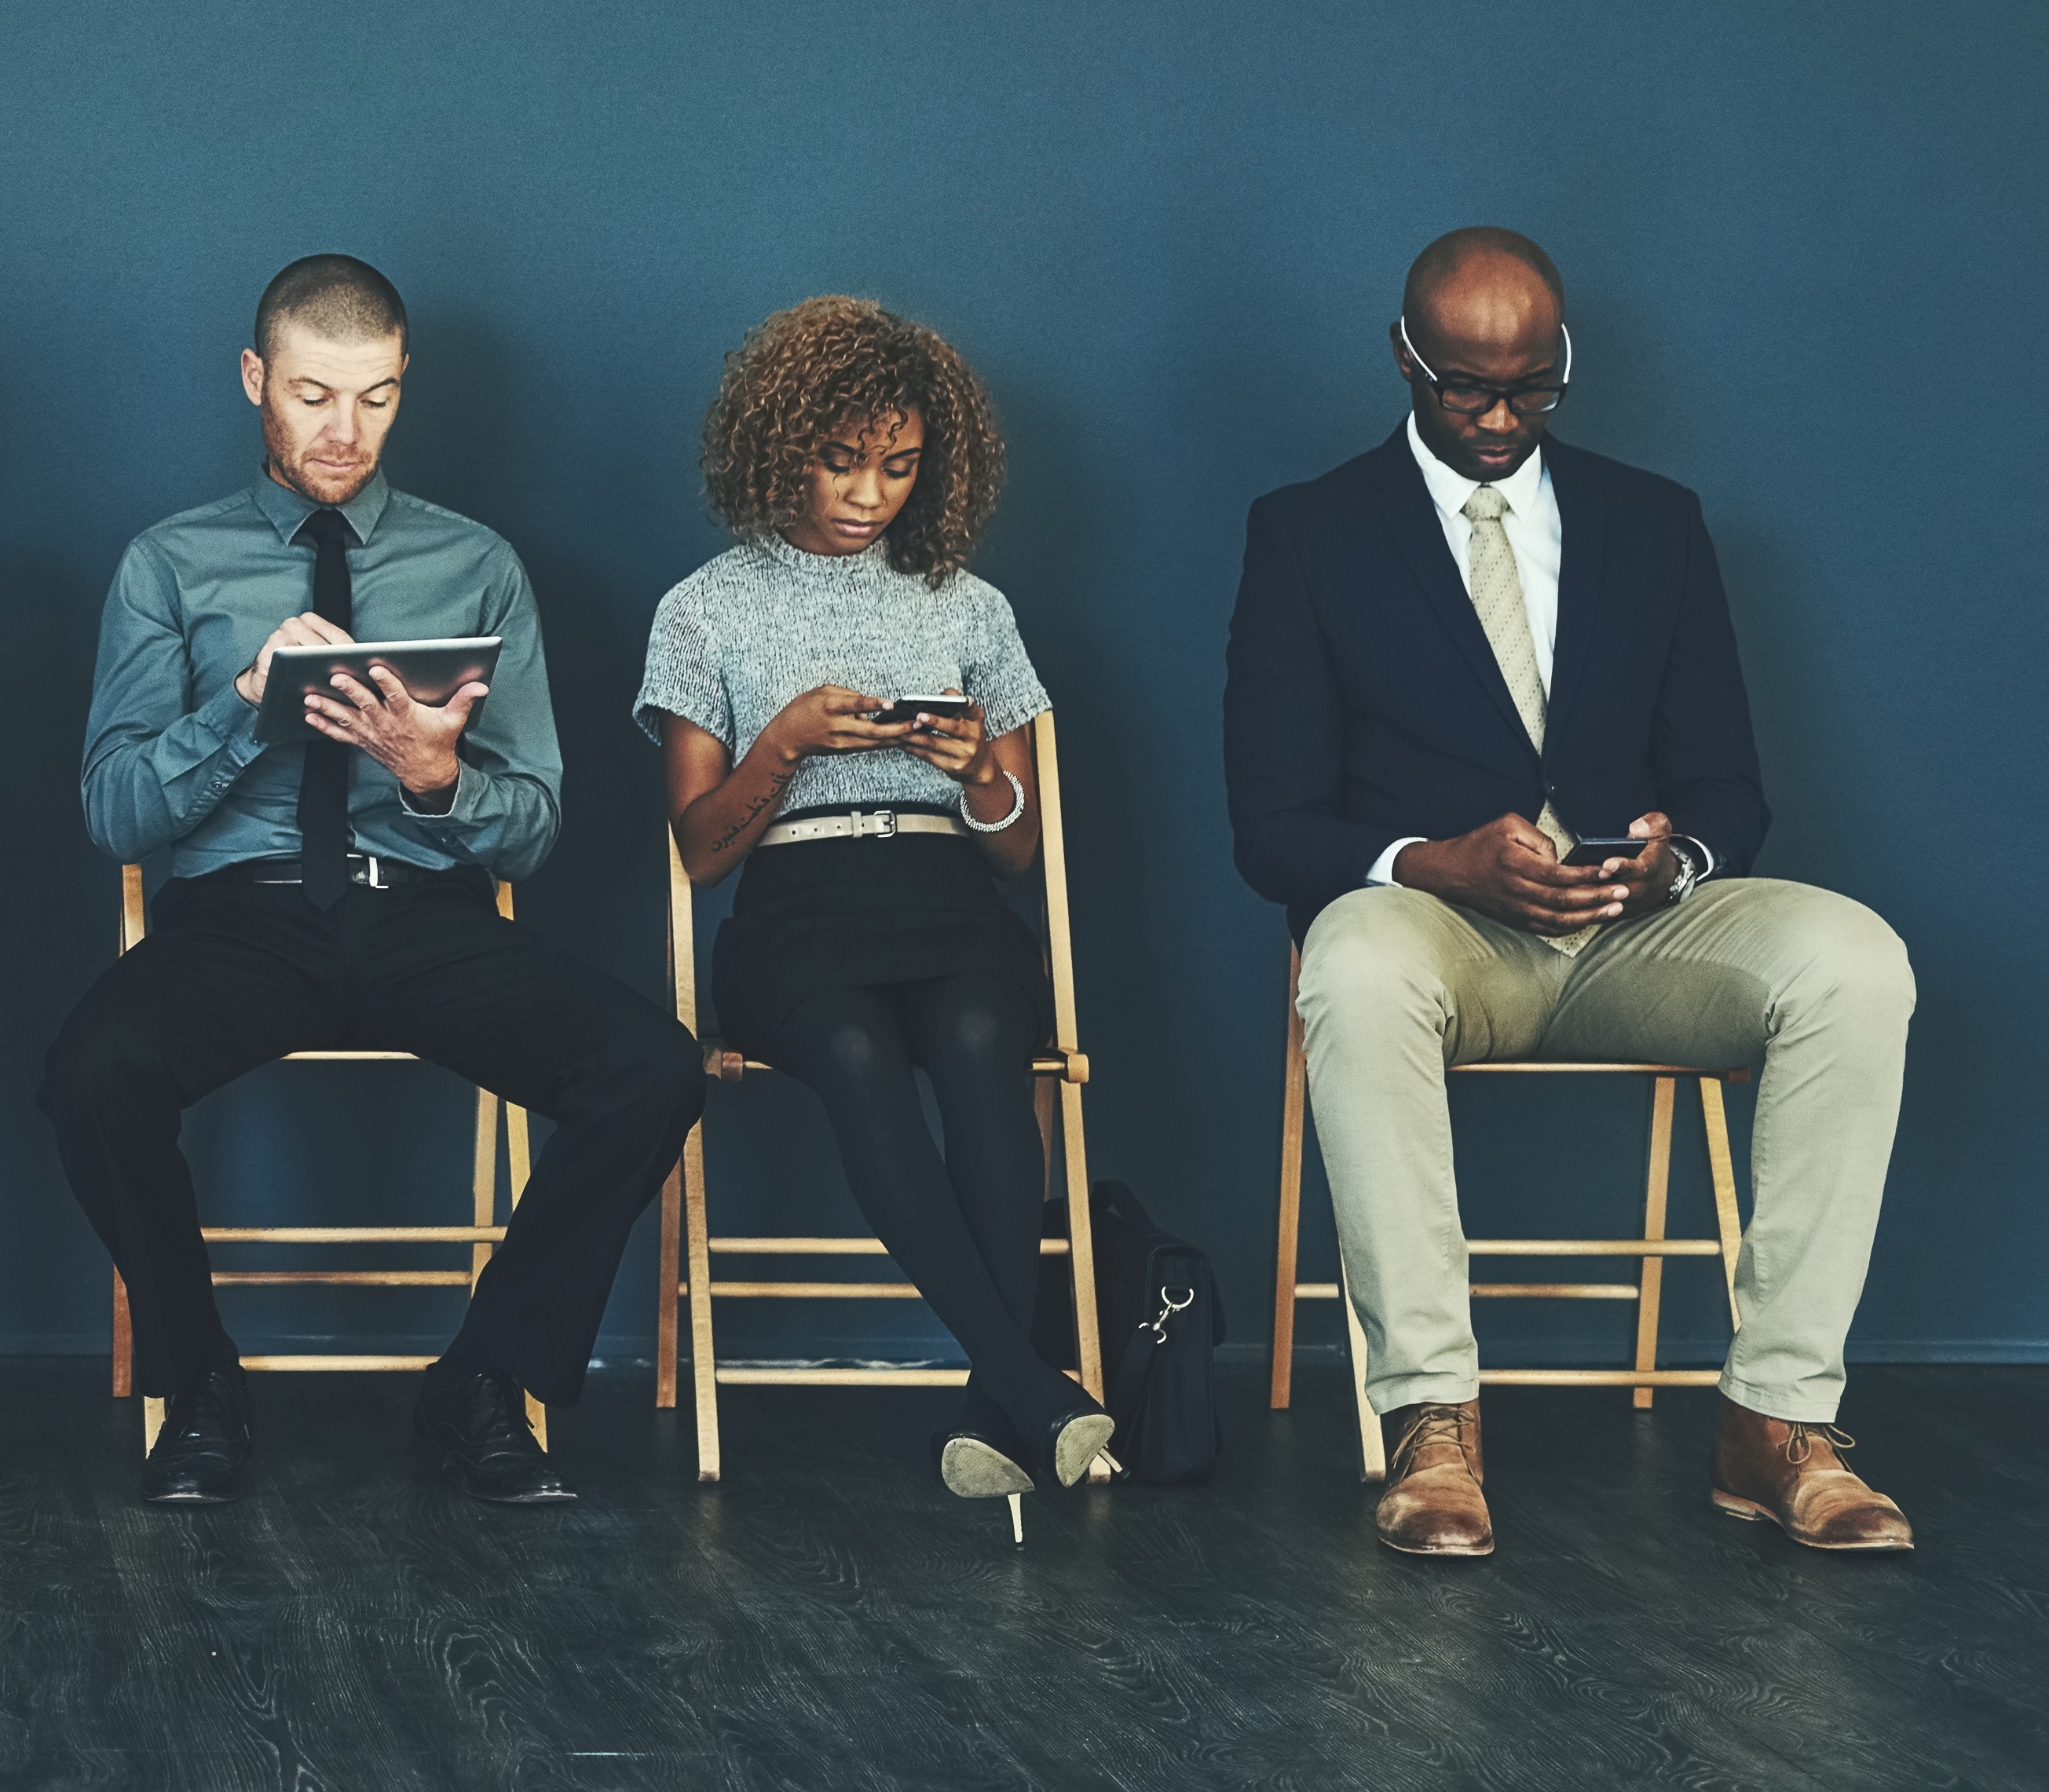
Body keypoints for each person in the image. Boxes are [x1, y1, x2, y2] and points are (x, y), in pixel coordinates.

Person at [1229, 227, 1916, 1556]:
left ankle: (1775, 1420)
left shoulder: (1654, 522)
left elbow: (1731, 790)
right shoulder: (1309, 534)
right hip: (1437, 933)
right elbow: (1270, 829)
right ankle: (1433, 1420)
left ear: (1563, 366)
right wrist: (1433, 863)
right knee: (1352, 964)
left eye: (1531, 391)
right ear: (1404, 358)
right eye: (1464, 389)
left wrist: (1678, 858)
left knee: (1856, 959)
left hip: (1633, 931)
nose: (1497, 420)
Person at [42, 254, 705, 1509]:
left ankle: (482, 1383)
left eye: (377, 398)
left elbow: (531, 833)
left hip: (420, 914)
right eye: (311, 396)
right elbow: (115, 815)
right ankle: (201, 1387)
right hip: (241, 919)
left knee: (653, 1067)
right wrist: (245, 708)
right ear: (255, 382)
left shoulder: (478, 565)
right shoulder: (170, 564)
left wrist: (434, 774)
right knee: (88, 1077)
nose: (345, 432)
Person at [641, 297, 1111, 1499]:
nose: (867, 494)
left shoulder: (971, 607)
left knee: (981, 1030)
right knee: (850, 1045)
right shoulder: (703, 610)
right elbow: (700, 855)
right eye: (841, 461)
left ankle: (996, 1405)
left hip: (945, 892)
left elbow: (1019, 855)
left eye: (898, 468)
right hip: (796, 911)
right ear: (776, 443)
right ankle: (1037, 1387)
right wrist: (785, 743)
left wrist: (979, 775)